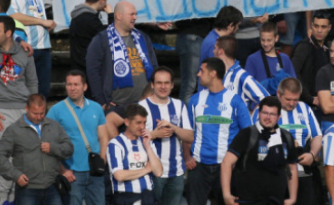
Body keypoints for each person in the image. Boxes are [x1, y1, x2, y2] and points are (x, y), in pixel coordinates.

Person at [0, 15, 39, 205]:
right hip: (1, 111)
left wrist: (32, 109)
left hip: (24, 111)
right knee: (8, 158)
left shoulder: (24, 53)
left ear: (9, 33)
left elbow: (33, 82)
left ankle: (21, 198)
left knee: (26, 157)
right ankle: (5, 199)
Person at [187, 57, 253, 205]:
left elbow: (248, 133)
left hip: (226, 166)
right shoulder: (195, 100)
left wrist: (238, 158)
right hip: (198, 166)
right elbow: (188, 132)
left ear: (213, 73)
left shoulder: (235, 101)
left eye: (202, 70)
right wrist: (187, 156)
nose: (198, 74)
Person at [86, 1, 159, 133]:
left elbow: (154, 66)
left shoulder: (142, 37)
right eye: (131, 14)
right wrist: (102, 101)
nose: (135, 17)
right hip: (117, 106)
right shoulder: (101, 40)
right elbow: (92, 70)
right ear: (119, 16)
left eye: (135, 14)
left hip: (145, 103)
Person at [0, 94, 75, 205]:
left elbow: (69, 148)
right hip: (27, 189)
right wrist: (15, 175)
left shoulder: (54, 126)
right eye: (35, 113)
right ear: (27, 108)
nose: (38, 117)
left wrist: (53, 148)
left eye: (42, 113)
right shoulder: (14, 130)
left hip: (52, 187)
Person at [0, 0, 55, 96]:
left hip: (43, 46)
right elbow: (12, 16)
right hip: (22, 48)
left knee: (42, 94)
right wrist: (42, 22)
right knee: (22, 95)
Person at [221, 96, 298, 205]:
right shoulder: (246, 134)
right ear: (258, 113)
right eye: (264, 113)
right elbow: (226, 163)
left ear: (278, 117)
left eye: (272, 114)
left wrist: (293, 198)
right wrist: (226, 194)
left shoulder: (287, 137)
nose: (268, 117)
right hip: (247, 201)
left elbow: (292, 168)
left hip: (276, 201)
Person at [47, 70, 108, 205]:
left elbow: (103, 138)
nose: (72, 88)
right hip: (72, 173)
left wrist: (102, 161)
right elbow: (48, 144)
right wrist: (62, 170)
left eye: (76, 84)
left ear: (84, 87)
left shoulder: (96, 108)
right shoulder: (55, 111)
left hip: (95, 171)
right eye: (69, 84)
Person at [142, 67, 195, 205]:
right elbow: (133, 138)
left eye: (166, 83)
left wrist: (174, 127)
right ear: (152, 85)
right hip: (151, 171)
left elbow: (190, 137)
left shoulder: (179, 105)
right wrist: (154, 134)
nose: (163, 86)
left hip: (176, 172)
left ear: (172, 85)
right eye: (159, 83)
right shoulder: (142, 107)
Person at [107, 103, 163, 205]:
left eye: (144, 123)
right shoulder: (115, 144)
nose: (142, 126)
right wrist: (146, 169)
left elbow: (158, 172)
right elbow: (119, 175)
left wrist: (148, 147)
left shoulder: (148, 141)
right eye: (138, 123)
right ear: (127, 122)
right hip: (126, 197)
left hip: (148, 196)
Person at [213, 36, 269, 109]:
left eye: (215, 48)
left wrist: (252, 116)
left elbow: (267, 99)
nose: (213, 51)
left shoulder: (242, 76)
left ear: (220, 51)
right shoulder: (216, 74)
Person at [68, 0, 112, 73]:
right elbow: (110, 37)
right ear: (101, 1)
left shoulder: (78, 16)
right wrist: (111, 15)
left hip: (79, 67)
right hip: (87, 70)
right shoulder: (90, 20)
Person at [290, 11, 331, 106]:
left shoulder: (328, 49)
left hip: (323, 101)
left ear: (329, 28)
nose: (319, 30)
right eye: (316, 26)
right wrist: (309, 98)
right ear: (311, 26)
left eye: (323, 27)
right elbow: (294, 73)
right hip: (305, 103)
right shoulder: (303, 47)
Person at [245, 23, 296, 92]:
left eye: (269, 40)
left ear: (276, 38)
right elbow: (248, 87)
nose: (265, 44)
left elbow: (293, 84)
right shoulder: (252, 59)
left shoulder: (285, 59)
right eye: (263, 40)